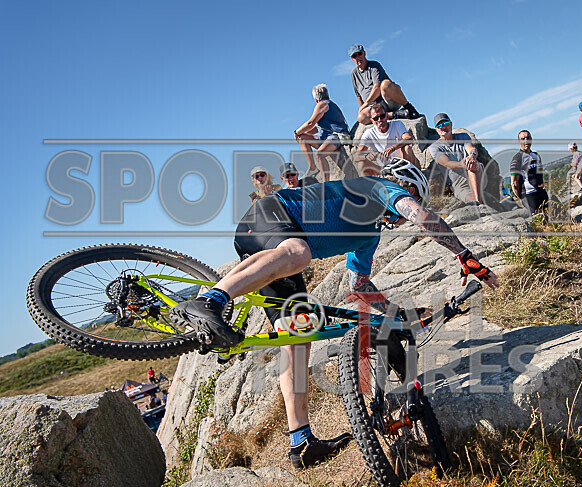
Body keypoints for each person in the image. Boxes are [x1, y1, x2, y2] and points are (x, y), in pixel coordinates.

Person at [170, 159, 499, 470]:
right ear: (407, 186)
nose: (401, 215)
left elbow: (361, 287)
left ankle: (301, 442)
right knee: (298, 253)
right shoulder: (380, 187)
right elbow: (420, 216)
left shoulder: (369, 234)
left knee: (297, 337)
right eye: (411, 194)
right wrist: (464, 254)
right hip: (272, 217)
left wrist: (401, 314)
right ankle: (211, 300)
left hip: (273, 248)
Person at [349, 44, 420, 125]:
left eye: (360, 54)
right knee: (361, 118)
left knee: (385, 84)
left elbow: (377, 87)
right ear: (352, 59)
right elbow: (358, 95)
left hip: (387, 101)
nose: (358, 57)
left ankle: (410, 108)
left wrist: (365, 104)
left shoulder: (374, 65)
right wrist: (362, 108)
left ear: (364, 53)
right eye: (355, 56)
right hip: (373, 108)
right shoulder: (354, 74)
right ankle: (395, 114)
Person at [293, 84, 349, 182]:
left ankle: (326, 183)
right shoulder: (330, 104)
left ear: (315, 99)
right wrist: (300, 134)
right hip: (326, 137)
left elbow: (310, 123)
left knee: (319, 154)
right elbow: (315, 129)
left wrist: (296, 132)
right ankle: (313, 168)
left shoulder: (322, 104)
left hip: (336, 137)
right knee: (302, 138)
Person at [428, 113, 486, 205]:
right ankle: (478, 203)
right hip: (459, 183)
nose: (443, 127)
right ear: (436, 129)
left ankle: (480, 205)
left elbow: (471, 148)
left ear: (451, 124)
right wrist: (463, 164)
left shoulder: (463, 136)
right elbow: (447, 163)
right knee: (471, 200)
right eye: (439, 125)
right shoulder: (434, 147)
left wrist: (472, 155)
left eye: (445, 124)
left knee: (472, 165)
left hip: (478, 173)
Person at [354, 103, 419, 175]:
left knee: (407, 149)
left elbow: (409, 138)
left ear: (387, 116)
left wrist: (392, 148)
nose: (379, 120)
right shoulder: (369, 133)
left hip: (401, 166)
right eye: (376, 118)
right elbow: (357, 156)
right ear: (372, 120)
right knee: (362, 164)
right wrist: (368, 155)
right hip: (384, 170)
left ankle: (410, 180)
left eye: (382, 116)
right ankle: (372, 185)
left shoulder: (397, 124)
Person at [509, 130, 548, 215]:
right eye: (523, 139)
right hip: (529, 195)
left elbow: (540, 174)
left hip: (542, 192)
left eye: (528, 138)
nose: (526, 141)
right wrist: (521, 198)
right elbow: (514, 183)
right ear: (519, 141)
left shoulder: (536, 155)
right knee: (539, 221)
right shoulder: (517, 158)